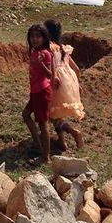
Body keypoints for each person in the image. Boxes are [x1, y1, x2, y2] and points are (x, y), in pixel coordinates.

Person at [45, 19, 85, 150]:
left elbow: (50, 67)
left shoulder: (49, 48)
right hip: (69, 81)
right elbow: (77, 69)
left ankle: (74, 132)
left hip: (56, 80)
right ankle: (62, 142)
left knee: (52, 113)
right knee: (57, 114)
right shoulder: (64, 49)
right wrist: (76, 85)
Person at [23, 24, 54, 165]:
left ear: (43, 38)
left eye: (38, 36)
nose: (35, 39)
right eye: (32, 36)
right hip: (35, 91)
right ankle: (38, 144)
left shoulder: (45, 53)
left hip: (42, 92)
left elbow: (49, 74)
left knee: (43, 124)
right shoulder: (35, 51)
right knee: (25, 115)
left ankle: (45, 157)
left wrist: (41, 64)